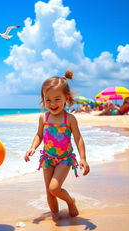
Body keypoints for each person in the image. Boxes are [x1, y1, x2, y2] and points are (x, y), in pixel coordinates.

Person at [24, 70, 90, 219]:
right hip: (47, 158)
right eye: (48, 100)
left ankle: (70, 202)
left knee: (54, 188)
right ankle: (55, 218)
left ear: (66, 98)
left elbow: (78, 138)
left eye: (57, 99)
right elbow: (39, 135)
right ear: (43, 100)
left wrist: (83, 158)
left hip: (64, 159)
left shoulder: (70, 119)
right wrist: (33, 147)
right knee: (49, 192)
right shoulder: (43, 118)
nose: (53, 104)